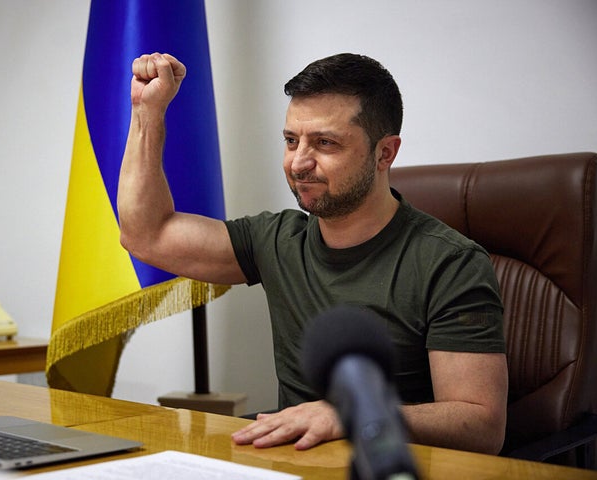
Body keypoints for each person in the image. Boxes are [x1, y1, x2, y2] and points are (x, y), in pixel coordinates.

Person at [118, 52, 508, 455]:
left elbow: (481, 426)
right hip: (294, 463)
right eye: (291, 141)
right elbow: (145, 234)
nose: (299, 163)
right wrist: (147, 112)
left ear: (385, 153)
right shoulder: (276, 239)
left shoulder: (451, 263)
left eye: (325, 143)